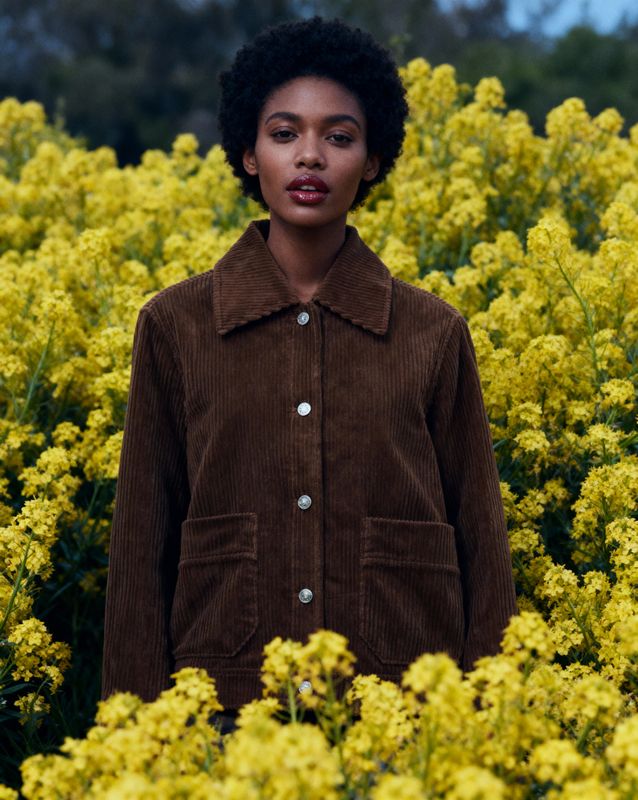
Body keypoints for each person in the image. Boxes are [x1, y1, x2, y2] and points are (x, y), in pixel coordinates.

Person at [101, 16, 519, 733]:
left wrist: (488, 725)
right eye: (285, 133)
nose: (311, 157)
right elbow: (141, 547)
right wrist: (139, 736)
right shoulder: (175, 326)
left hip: (402, 724)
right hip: (226, 718)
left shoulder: (433, 333)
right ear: (247, 154)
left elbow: (482, 544)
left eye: (340, 136)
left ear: (375, 160)